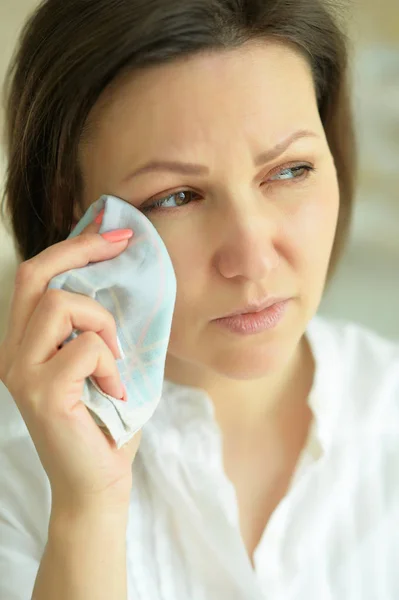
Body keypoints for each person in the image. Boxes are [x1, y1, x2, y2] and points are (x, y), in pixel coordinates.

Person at [0, 0, 398, 598]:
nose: (254, 260)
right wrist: (88, 510)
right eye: (178, 196)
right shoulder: (15, 471)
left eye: (290, 171)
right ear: (71, 210)